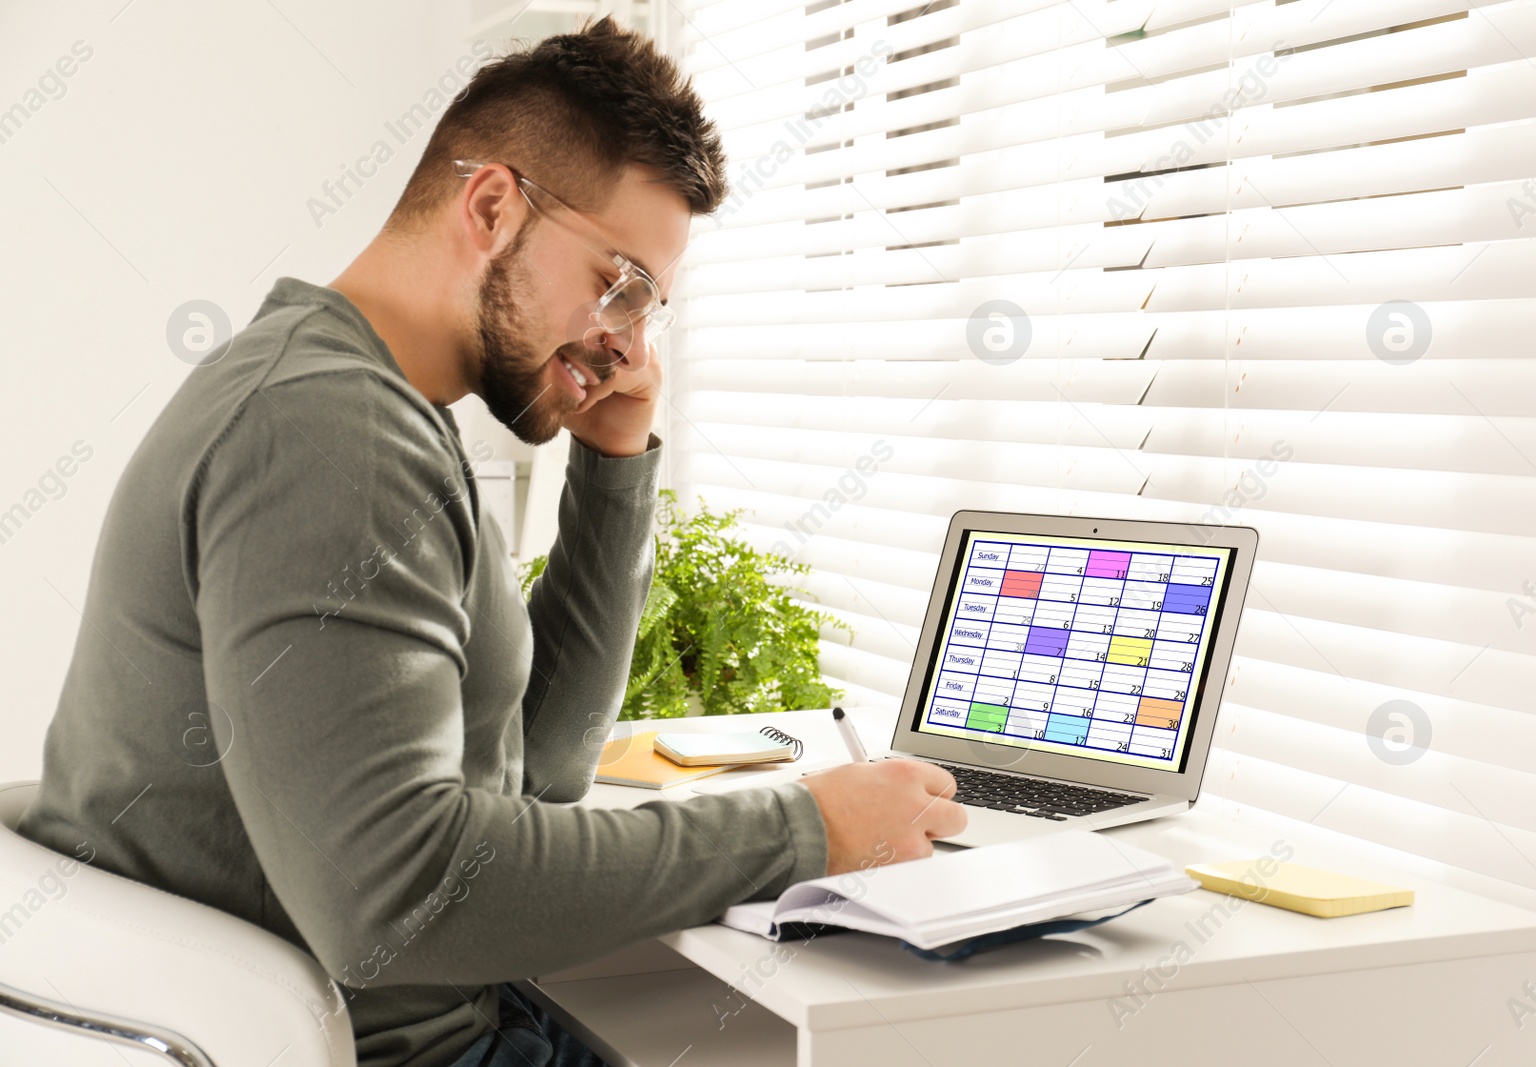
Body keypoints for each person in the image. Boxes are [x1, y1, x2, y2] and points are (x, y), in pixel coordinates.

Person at [17, 16, 965, 1067]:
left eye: (652, 309)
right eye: (620, 286)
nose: (633, 347)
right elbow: (400, 895)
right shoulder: (332, 431)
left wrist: (612, 460)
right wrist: (806, 830)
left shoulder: (371, 406)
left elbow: (538, 767)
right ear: (492, 205)